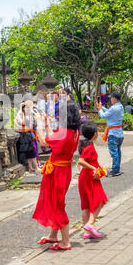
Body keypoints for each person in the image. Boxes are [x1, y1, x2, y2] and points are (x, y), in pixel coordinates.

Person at [32, 101, 81, 251]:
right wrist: (46, 123)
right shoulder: (74, 132)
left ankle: (65, 241)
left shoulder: (64, 132)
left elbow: (43, 142)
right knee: (56, 201)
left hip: (57, 172)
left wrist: (39, 124)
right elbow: (54, 136)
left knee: (57, 204)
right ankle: (53, 235)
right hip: (63, 170)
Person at [77, 122, 108, 239]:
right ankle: (90, 223)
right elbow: (81, 161)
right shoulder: (89, 147)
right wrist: (94, 168)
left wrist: (99, 169)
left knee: (86, 205)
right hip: (89, 178)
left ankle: (86, 232)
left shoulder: (87, 145)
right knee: (100, 200)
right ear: (95, 134)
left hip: (86, 177)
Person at [97, 92, 124, 177]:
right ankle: (117, 168)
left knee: (114, 152)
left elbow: (104, 116)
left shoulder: (114, 108)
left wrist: (100, 110)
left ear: (115, 98)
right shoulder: (120, 106)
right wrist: (102, 108)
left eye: (111, 98)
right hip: (119, 132)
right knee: (118, 151)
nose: (110, 99)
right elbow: (109, 112)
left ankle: (115, 170)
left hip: (113, 133)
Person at [14, 100, 39, 173]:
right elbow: (22, 123)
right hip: (23, 135)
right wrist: (23, 116)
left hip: (28, 133)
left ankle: (34, 167)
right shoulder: (20, 115)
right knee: (29, 152)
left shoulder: (28, 115)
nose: (27, 109)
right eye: (25, 107)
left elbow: (32, 124)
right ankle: (33, 167)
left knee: (32, 151)